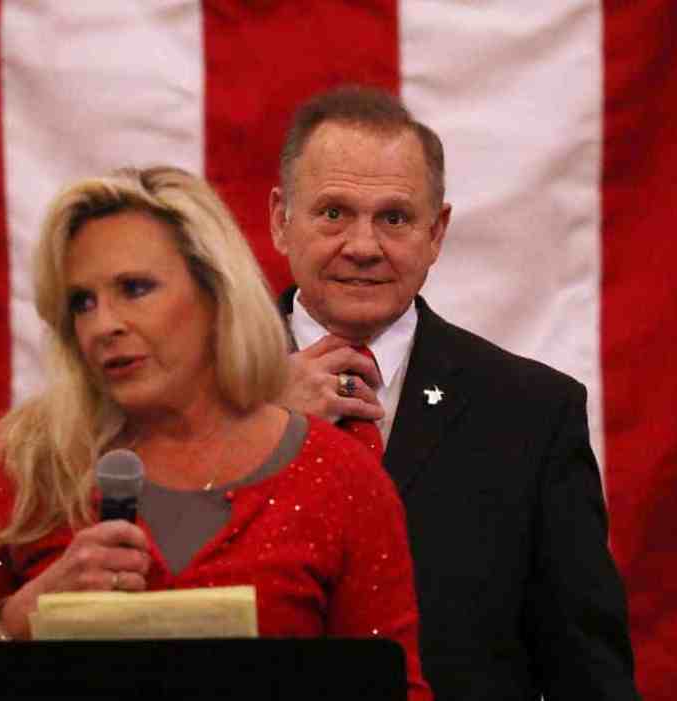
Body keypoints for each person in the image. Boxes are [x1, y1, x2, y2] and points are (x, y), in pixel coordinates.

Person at [0, 166, 431, 699]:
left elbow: (396, 688)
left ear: (215, 294)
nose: (103, 324)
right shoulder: (30, 462)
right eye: (82, 302)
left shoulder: (342, 479)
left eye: (134, 289)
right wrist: (22, 616)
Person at [269, 86, 640, 701]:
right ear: (281, 219)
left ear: (437, 232)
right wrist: (254, 415)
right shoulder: (200, 398)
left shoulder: (532, 416)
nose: (363, 246)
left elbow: (589, 673)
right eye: (333, 212)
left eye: (394, 218)